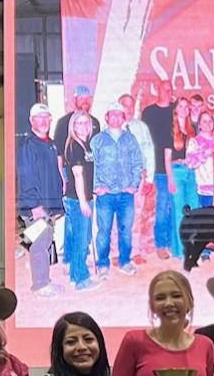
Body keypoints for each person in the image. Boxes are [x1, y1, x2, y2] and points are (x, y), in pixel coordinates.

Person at [17, 102, 65, 296]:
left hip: (49, 205)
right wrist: (34, 206)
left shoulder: (50, 143)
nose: (43, 121)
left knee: (43, 243)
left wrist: (56, 206)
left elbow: (52, 175)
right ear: (31, 121)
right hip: (37, 206)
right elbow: (26, 177)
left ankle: (43, 278)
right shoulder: (27, 146)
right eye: (39, 118)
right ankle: (40, 285)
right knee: (39, 245)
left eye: (46, 117)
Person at [91, 108, 145, 278]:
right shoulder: (98, 140)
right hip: (105, 195)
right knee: (104, 231)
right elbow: (91, 164)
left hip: (125, 194)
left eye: (119, 114)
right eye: (112, 114)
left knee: (125, 230)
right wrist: (96, 186)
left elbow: (138, 162)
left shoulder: (130, 139)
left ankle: (125, 262)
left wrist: (134, 185)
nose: (115, 117)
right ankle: (103, 264)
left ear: (123, 118)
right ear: (106, 117)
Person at [61, 112, 99, 292]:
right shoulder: (75, 146)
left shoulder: (86, 145)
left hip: (84, 197)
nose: (84, 126)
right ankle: (81, 279)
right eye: (79, 123)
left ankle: (74, 273)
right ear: (73, 126)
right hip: (78, 200)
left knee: (80, 238)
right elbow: (77, 175)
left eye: (86, 123)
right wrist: (83, 202)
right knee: (81, 240)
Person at [142, 82, 178, 260]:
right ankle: (161, 244)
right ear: (158, 90)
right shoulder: (149, 112)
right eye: (165, 89)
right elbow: (144, 140)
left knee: (174, 206)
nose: (169, 92)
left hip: (176, 166)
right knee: (163, 206)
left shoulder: (176, 110)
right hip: (158, 167)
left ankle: (172, 242)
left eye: (171, 89)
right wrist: (146, 166)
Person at [123, 94, 159, 263]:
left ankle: (135, 252)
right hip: (118, 181)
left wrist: (149, 178)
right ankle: (116, 252)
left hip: (139, 178)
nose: (129, 109)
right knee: (118, 217)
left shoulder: (141, 127)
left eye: (131, 106)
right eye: (125, 105)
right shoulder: (110, 128)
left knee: (136, 216)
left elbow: (149, 152)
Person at [168, 95, 200, 262]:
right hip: (176, 171)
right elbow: (166, 156)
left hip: (190, 172)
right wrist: (170, 179)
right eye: (180, 106)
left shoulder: (191, 129)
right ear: (175, 109)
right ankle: (181, 251)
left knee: (193, 210)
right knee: (180, 211)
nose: (184, 109)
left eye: (186, 106)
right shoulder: (169, 129)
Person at [187, 110, 214, 209]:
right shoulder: (195, 142)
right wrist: (205, 154)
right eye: (204, 121)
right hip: (206, 190)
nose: (207, 124)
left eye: (210, 121)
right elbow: (189, 163)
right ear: (199, 125)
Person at [53, 85, 99, 155]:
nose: (85, 101)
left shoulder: (95, 122)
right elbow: (59, 152)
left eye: (88, 98)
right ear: (74, 100)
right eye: (81, 98)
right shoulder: (63, 122)